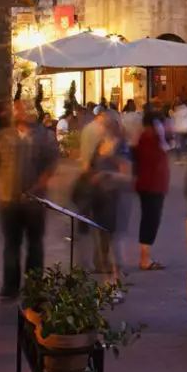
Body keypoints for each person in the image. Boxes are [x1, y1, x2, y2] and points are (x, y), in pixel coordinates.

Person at [0, 101, 60, 300]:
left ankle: (34, 286)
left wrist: (40, 184)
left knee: (34, 244)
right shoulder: (5, 136)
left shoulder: (43, 136)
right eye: (14, 109)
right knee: (11, 244)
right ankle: (10, 286)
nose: (16, 113)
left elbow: (52, 164)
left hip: (35, 201)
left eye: (20, 109)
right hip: (9, 199)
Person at [77, 111, 132, 275]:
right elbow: (90, 167)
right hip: (98, 196)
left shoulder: (121, 146)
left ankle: (116, 277)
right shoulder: (100, 144)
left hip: (114, 197)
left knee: (113, 238)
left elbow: (127, 175)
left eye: (102, 123)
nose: (98, 127)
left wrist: (106, 175)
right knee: (99, 233)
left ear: (111, 126)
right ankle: (102, 265)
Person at [132, 106, 171, 271]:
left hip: (150, 185)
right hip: (152, 185)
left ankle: (145, 257)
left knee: (150, 219)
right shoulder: (150, 137)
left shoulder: (149, 137)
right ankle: (145, 259)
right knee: (151, 219)